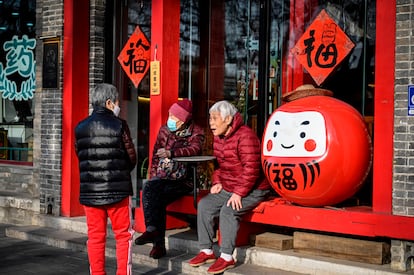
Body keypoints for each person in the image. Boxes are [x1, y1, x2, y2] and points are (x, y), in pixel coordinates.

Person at [188, 100, 271, 274]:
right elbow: (220, 165)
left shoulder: (245, 136)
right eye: (210, 118)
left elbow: (252, 170)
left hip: (254, 188)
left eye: (215, 118)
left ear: (227, 119)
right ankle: (207, 251)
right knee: (205, 205)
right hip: (230, 185)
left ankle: (226, 256)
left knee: (228, 210)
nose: (211, 122)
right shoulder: (219, 137)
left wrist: (239, 193)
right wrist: (217, 181)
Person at [75, 83, 137, 275]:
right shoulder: (120, 125)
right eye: (117, 102)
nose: (118, 106)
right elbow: (131, 157)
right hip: (118, 190)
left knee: (95, 237)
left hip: (90, 192)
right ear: (109, 102)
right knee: (123, 237)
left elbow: (81, 155)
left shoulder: (80, 127)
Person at [135, 99, 205, 259]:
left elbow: (195, 149)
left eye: (173, 116)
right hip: (163, 177)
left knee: (156, 196)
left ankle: (156, 241)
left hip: (184, 180)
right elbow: (154, 156)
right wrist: (153, 176)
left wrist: (172, 153)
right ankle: (152, 231)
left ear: (183, 120)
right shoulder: (165, 130)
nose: (170, 119)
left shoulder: (196, 131)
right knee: (150, 189)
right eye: (170, 115)